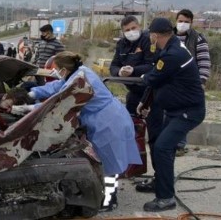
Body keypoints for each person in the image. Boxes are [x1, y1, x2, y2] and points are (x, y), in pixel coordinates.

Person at [16, 51, 141, 212]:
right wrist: (32, 93)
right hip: (106, 117)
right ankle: (106, 193)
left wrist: (27, 108)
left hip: (109, 122)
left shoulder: (79, 81)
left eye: (57, 69)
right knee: (106, 160)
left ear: (64, 69)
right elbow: (57, 86)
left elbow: (58, 103)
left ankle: (110, 200)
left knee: (111, 163)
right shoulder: (79, 72)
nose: (55, 72)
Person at [135, 18, 205, 212]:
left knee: (163, 148)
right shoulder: (169, 49)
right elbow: (156, 80)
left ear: (155, 35)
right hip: (176, 109)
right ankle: (160, 182)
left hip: (189, 111)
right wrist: (144, 101)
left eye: (150, 35)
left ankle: (165, 197)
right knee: (160, 145)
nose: (150, 38)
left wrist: (142, 76)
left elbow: (152, 78)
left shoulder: (173, 54)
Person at [174, 9, 211, 156]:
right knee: (169, 114)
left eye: (186, 22)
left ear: (191, 23)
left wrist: (201, 82)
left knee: (183, 115)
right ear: (176, 21)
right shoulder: (169, 37)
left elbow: (204, 62)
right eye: (180, 21)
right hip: (169, 84)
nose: (182, 24)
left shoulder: (197, 39)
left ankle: (180, 145)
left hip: (188, 84)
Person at [110, 15, 155, 115]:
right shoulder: (121, 44)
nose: (131, 32)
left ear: (139, 26)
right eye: (127, 30)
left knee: (154, 127)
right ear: (123, 32)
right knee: (131, 122)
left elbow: (152, 66)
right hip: (133, 91)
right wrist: (120, 72)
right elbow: (113, 66)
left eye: (133, 28)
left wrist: (133, 70)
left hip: (151, 92)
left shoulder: (148, 40)